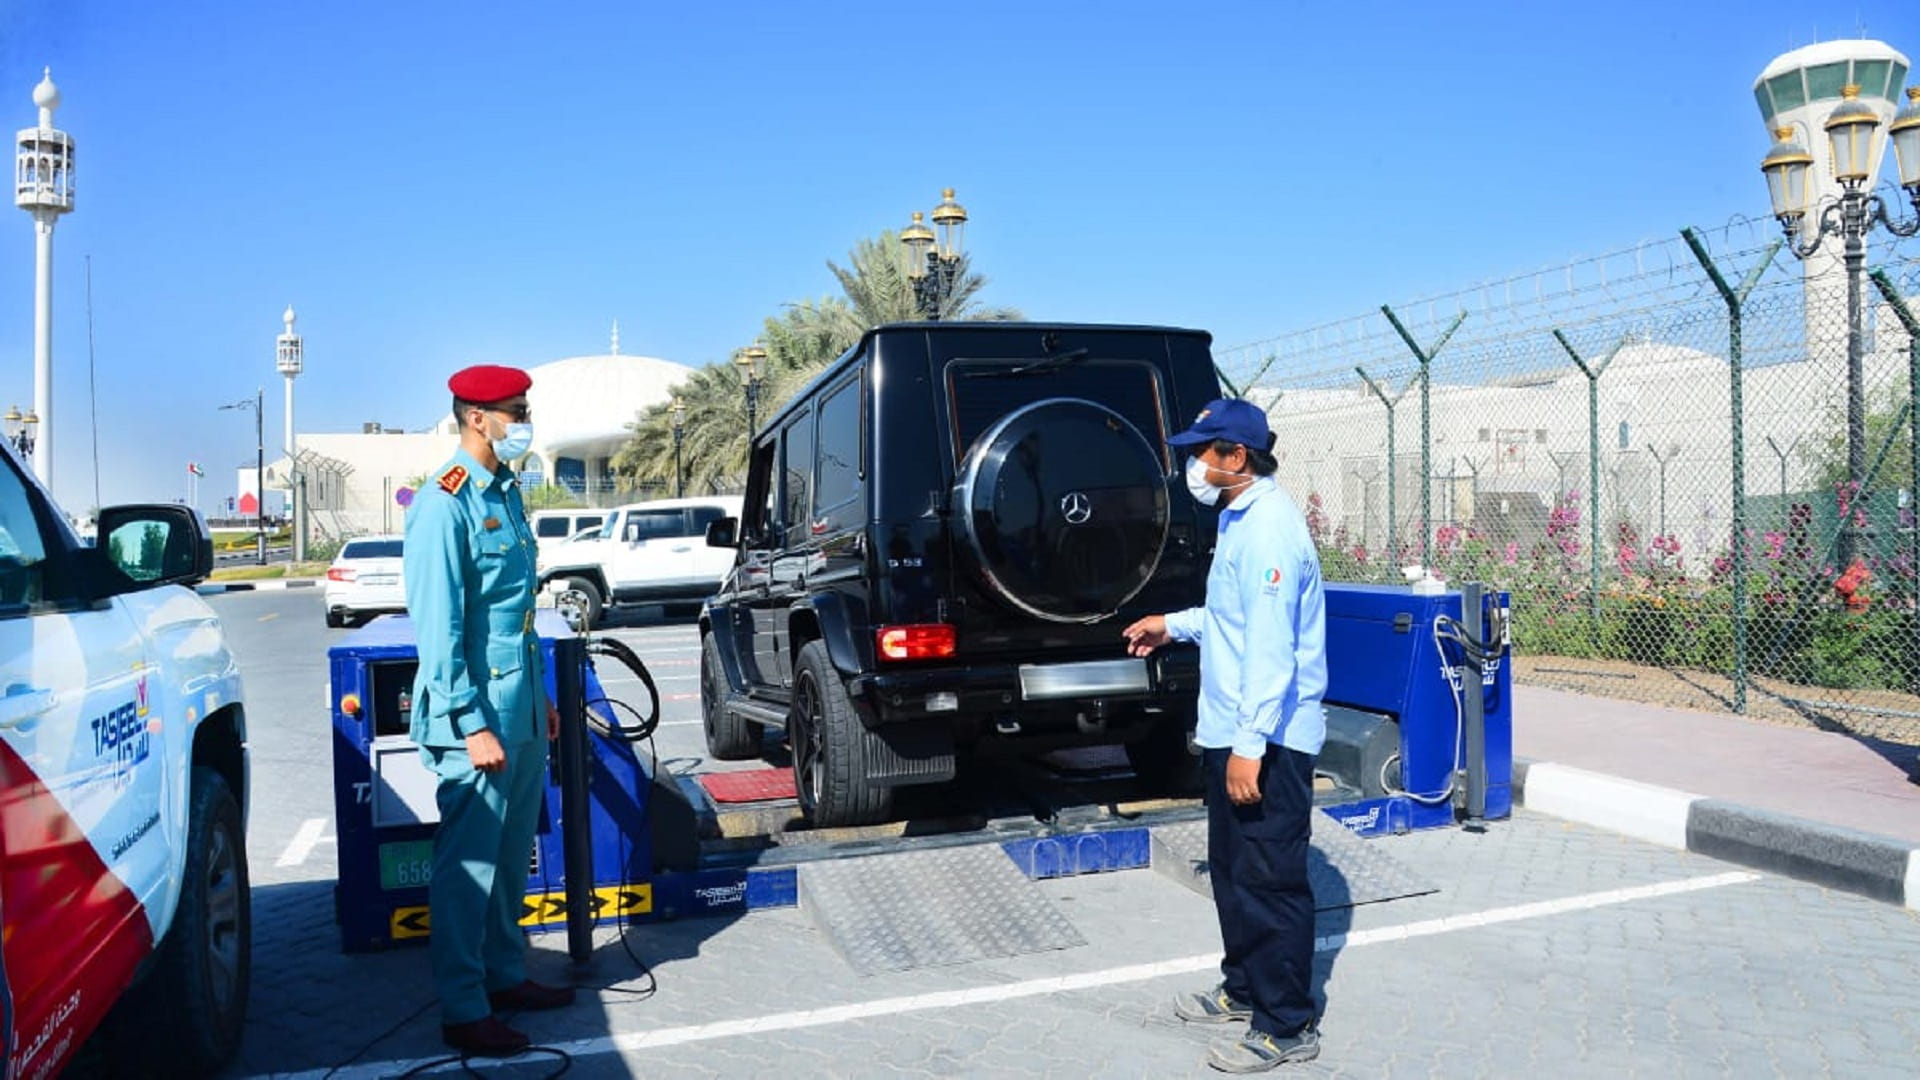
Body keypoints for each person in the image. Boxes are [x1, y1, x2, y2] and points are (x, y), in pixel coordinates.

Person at [1123, 397, 1328, 1074]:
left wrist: (1250, 745)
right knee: (1236, 870)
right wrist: (1172, 625)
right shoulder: (1239, 518)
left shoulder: (1269, 529)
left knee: (1271, 878)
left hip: (1268, 739)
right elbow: (1230, 617)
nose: (1193, 464)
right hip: (1235, 730)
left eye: (1202, 452)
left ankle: (1286, 1024)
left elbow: (1270, 649)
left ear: (1237, 457)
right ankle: (1244, 988)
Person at [404, 364, 574, 1057]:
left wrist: (540, 701)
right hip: (475, 715)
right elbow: (438, 630)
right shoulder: (445, 503)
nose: (523, 422)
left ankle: (505, 974)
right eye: (516, 411)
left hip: (519, 708)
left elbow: (515, 618)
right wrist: (470, 723)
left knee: (509, 859)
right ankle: (464, 1007)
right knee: (469, 866)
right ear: (478, 417)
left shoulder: (504, 491)